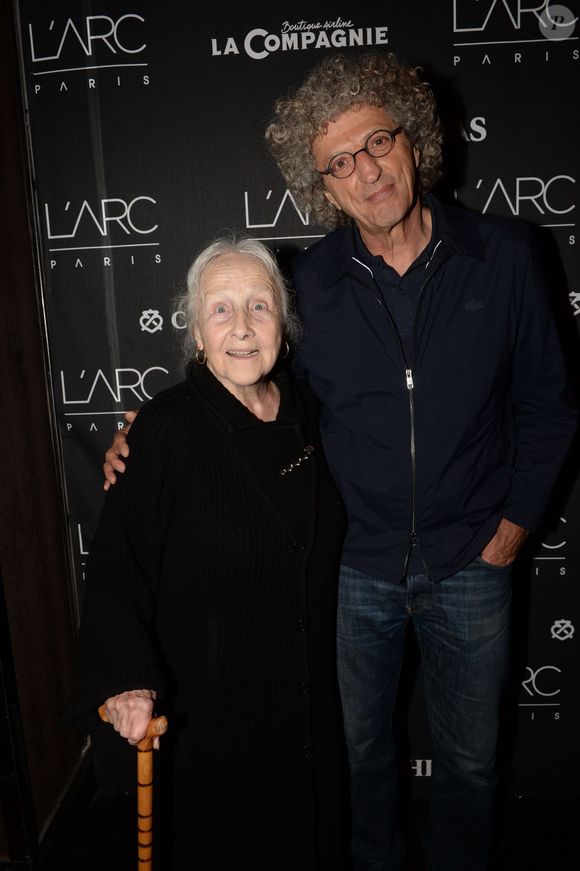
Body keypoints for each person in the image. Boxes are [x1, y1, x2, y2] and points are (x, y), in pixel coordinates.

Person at [104, 54, 577, 871]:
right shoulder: (311, 282)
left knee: (471, 764)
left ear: (414, 140)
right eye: (339, 162)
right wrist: (149, 428)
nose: (366, 170)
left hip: (474, 559)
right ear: (322, 185)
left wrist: (510, 532)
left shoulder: (505, 254)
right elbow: (253, 385)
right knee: (358, 759)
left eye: (378, 142)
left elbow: (549, 404)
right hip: (353, 569)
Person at [68, 237, 350, 871]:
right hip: (216, 712)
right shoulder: (165, 428)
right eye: (220, 309)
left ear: (283, 324)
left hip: (307, 699)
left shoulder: (309, 411)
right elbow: (117, 567)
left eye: (259, 306)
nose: (242, 326)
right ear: (196, 331)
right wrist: (127, 678)